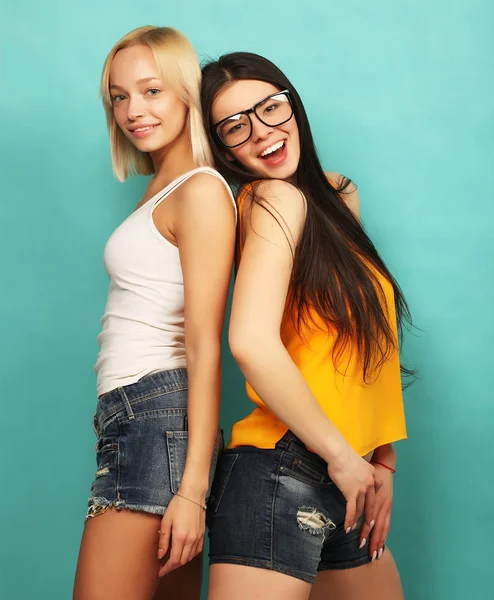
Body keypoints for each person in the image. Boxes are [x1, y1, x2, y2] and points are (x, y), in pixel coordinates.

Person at [200, 52, 412, 600]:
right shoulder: (270, 198)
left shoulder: (338, 195)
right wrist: (345, 457)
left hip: (350, 471)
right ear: (222, 147)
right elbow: (248, 341)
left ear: (292, 104)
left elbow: (369, 339)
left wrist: (380, 456)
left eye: (271, 108)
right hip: (284, 467)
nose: (262, 133)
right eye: (234, 127)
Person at [73, 27, 236, 600]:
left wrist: (192, 491)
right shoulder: (164, 188)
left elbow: (204, 347)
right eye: (119, 97)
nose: (132, 111)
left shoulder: (200, 191)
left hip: (155, 417)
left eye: (150, 91)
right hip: (138, 417)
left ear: (185, 92)